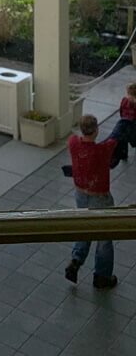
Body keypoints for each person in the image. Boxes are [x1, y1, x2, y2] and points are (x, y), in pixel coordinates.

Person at [65, 114, 118, 289]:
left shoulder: (73, 143)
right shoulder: (102, 151)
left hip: (80, 194)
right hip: (100, 196)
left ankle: (76, 260)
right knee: (104, 236)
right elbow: (115, 138)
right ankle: (102, 276)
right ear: (96, 130)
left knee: (84, 226)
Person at [108, 83, 136, 166]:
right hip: (133, 124)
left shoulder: (124, 100)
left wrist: (123, 117)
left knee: (123, 140)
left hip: (124, 122)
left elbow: (121, 110)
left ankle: (124, 155)